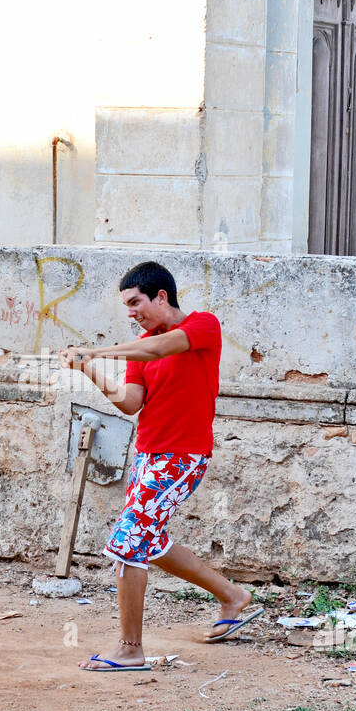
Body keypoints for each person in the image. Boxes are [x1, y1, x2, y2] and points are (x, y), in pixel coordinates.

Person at [57, 261, 262, 672]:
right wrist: (90, 370)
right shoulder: (141, 346)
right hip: (149, 455)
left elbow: (160, 348)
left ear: (161, 296)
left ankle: (130, 649)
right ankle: (232, 596)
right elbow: (132, 402)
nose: (131, 312)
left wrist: (95, 350)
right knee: (150, 542)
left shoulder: (202, 325)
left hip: (183, 457)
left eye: (135, 302)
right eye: (126, 305)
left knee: (130, 540)